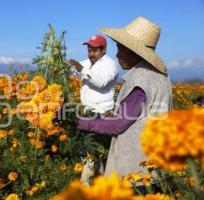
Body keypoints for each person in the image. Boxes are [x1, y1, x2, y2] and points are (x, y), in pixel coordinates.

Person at [77, 17, 173, 179]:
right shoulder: (159, 77)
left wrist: (82, 123)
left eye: (121, 49)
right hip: (154, 164)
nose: (117, 54)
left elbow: (118, 125)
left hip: (136, 171)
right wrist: (114, 113)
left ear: (135, 51)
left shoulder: (142, 79)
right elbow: (137, 115)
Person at [68, 35, 119, 186]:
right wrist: (69, 66)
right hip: (87, 112)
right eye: (89, 50)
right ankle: (96, 182)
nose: (90, 53)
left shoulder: (110, 64)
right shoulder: (88, 63)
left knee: (96, 150)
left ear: (103, 50)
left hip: (102, 113)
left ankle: (90, 184)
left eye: (94, 50)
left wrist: (81, 69)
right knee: (89, 150)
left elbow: (101, 82)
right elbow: (77, 73)